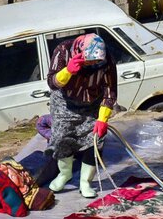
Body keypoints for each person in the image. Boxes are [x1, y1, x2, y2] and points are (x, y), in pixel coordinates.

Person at [46, 33, 117, 198]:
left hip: (92, 103)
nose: (93, 64)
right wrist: (68, 71)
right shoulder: (62, 51)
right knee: (63, 139)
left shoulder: (107, 61)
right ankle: (65, 174)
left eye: (96, 61)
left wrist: (102, 118)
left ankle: (85, 182)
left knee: (95, 141)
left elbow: (110, 90)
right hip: (65, 103)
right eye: (90, 60)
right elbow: (51, 82)